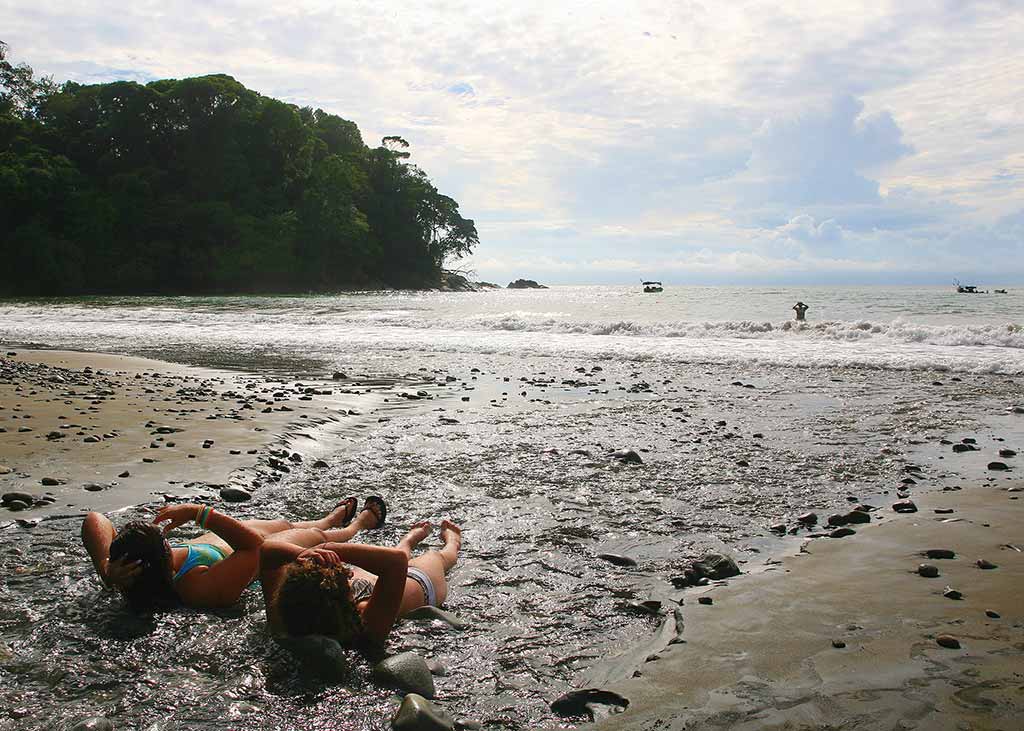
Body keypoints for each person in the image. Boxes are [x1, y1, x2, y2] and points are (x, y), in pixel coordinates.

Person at [81, 496, 381, 611]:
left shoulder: (128, 570)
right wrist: (198, 512)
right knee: (324, 537)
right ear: (162, 556)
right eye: (164, 542)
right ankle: (360, 522)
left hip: (235, 535)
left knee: (299, 523)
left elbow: (95, 519)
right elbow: (253, 548)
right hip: (259, 545)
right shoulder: (194, 587)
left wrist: (105, 566)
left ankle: (332, 516)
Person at [259, 515, 462, 651]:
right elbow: (396, 562)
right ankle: (452, 542)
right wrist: (328, 547)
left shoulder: (282, 620)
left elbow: (266, 551)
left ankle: (408, 541)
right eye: (345, 576)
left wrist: (303, 553)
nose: (348, 575)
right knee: (438, 557)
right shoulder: (364, 628)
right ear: (347, 599)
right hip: (418, 583)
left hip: (377, 579)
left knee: (377, 571)